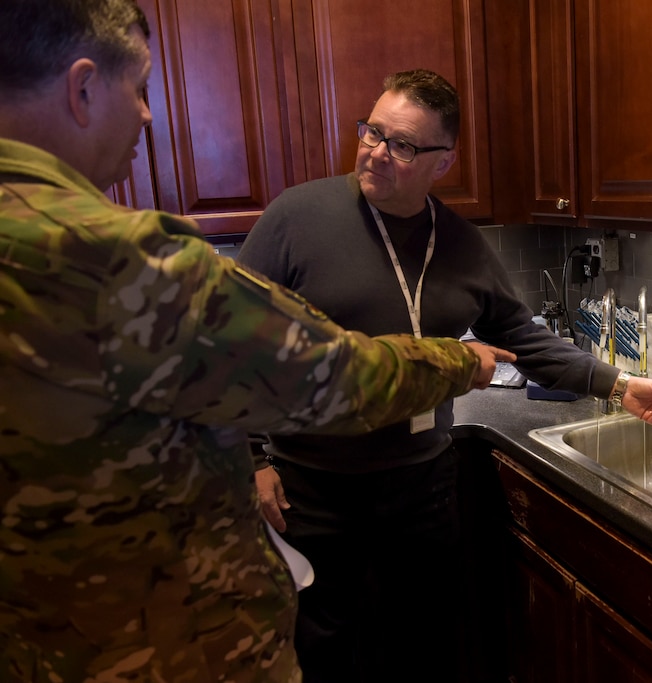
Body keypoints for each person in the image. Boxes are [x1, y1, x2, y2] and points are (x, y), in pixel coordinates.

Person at [0, 4, 518, 681]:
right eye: (143, 90)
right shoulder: (119, 260)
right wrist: (457, 360)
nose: (150, 117)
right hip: (150, 644)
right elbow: (329, 375)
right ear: (83, 88)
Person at [238, 68, 652, 682]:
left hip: (421, 485)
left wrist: (617, 385)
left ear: (443, 161)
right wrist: (252, 460)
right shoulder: (296, 218)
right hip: (313, 489)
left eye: (400, 144)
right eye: (371, 131)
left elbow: (520, 335)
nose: (375, 151)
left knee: (425, 644)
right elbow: (232, 344)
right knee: (319, 650)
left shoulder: (460, 243)